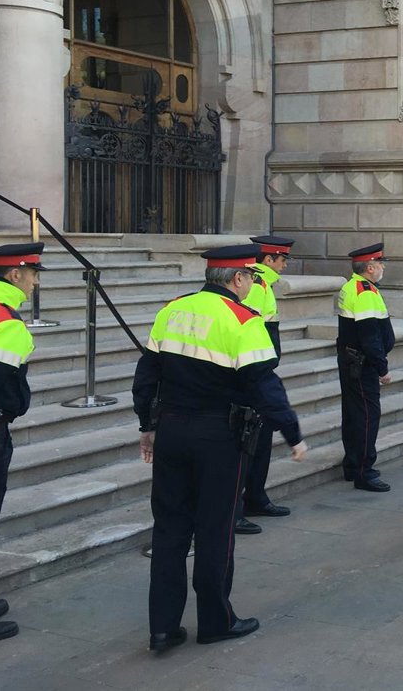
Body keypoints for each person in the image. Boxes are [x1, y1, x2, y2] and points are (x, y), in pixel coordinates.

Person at [132, 244, 307, 652]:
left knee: (170, 529)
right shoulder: (244, 320)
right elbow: (265, 386)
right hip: (219, 438)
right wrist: (292, 433)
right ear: (238, 278)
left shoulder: (172, 309)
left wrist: (147, 425)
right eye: (251, 277)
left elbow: (147, 375)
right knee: (215, 530)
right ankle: (215, 621)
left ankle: (163, 627)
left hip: (172, 431)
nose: (252, 284)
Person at [0, 242, 46, 643]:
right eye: (33, 274)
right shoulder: (6, 322)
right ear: (15, 274)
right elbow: (6, 390)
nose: (35, 283)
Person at [236, 235, 295, 533]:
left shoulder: (264, 284)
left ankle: (256, 497)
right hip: (254, 374)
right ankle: (237, 507)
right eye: (282, 259)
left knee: (261, 441)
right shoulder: (257, 286)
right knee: (248, 445)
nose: (285, 264)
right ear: (268, 259)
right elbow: (247, 330)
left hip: (262, 368)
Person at [337, 243, 396, 488]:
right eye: (380, 263)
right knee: (367, 417)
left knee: (354, 414)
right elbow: (370, 336)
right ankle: (364, 471)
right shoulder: (365, 293)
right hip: (362, 364)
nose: (383, 267)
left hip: (352, 360)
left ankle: (353, 465)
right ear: (370, 267)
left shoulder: (352, 286)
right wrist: (382, 368)